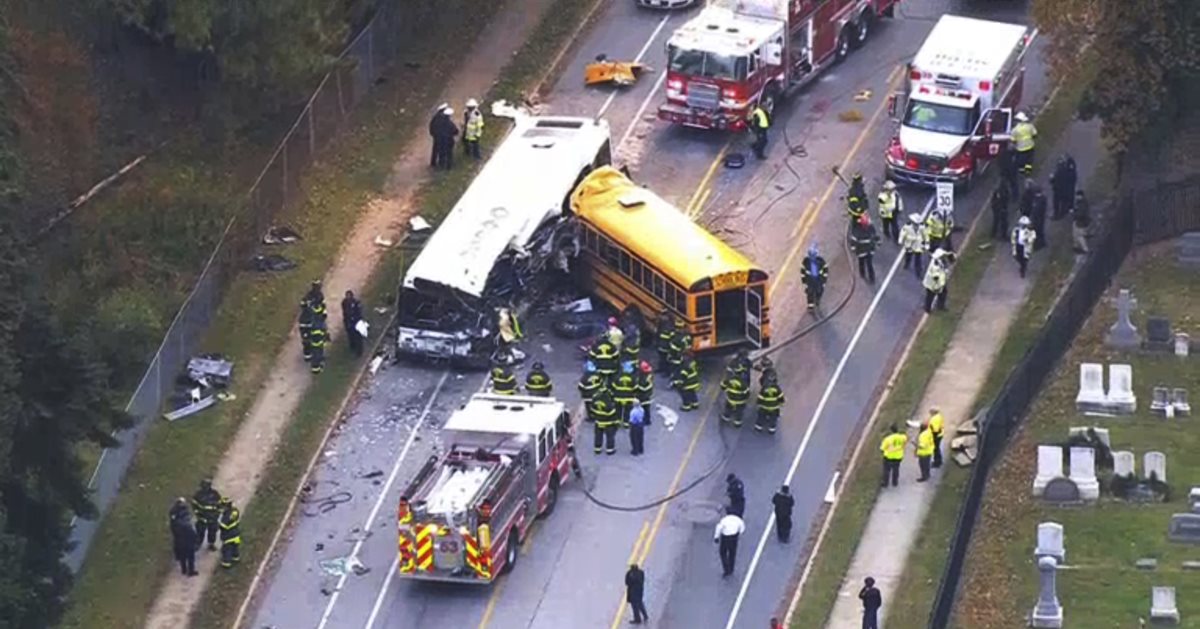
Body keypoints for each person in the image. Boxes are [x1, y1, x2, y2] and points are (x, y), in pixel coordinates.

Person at [713, 507, 746, 577]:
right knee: (732, 553)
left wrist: (716, 537)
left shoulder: (724, 520)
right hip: (734, 537)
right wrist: (739, 533)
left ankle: (726, 568)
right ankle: (731, 568)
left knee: (723, 553)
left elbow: (719, 528)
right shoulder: (738, 519)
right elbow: (742, 528)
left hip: (725, 537)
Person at [170, 500, 198, 577]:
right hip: (188, 542)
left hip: (180, 541)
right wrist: (195, 540)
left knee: (183, 556)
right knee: (190, 557)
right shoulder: (187, 525)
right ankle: (191, 571)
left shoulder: (176, 523)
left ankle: (184, 569)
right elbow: (192, 533)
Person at [850, 215, 881, 284]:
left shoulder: (870, 228)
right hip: (862, 251)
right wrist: (853, 249)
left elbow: (875, 236)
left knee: (869, 264)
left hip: (869, 250)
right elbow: (853, 240)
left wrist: (878, 242)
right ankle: (862, 273)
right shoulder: (857, 230)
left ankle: (871, 278)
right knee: (862, 263)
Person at [192, 479, 222, 551]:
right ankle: (198, 544)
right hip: (202, 518)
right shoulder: (198, 495)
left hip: (213, 518)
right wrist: (199, 515)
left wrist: (217, 514)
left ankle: (211, 544)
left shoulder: (215, 494)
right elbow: (194, 506)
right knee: (200, 531)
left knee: (212, 531)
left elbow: (220, 505)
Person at [589, 387, 619, 455]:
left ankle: (597, 449)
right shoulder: (607, 400)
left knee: (598, 436)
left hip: (598, 421)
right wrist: (615, 422)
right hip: (608, 423)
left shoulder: (595, 398)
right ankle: (610, 450)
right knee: (610, 436)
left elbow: (592, 410)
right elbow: (612, 413)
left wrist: (596, 416)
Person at [898, 212, 928, 280]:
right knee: (908, 256)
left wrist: (927, 242)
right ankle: (906, 264)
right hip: (909, 245)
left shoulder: (922, 227)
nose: (916, 225)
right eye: (915, 223)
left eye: (917, 223)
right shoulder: (907, 226)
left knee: (918, 260)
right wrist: (900, 240)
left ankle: (918, 272)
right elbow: (902, 233)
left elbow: (925, 235)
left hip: (918, 246)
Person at [800, 243, 829, 309]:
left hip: (819, 281)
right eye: (811, 255)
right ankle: (810, 307)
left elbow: (825, 270)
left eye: (813, 255)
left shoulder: (821, 261)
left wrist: (824, 281)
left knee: (819, 291)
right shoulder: (806, 262)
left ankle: (817, 301)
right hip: (810, 281)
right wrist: (804, 282)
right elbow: (803, 273)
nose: (812, 257)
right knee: (809, 293)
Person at [1049, 154, 1077, 220]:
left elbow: (1054, 180)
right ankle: (1062, 213)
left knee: (1057, 202)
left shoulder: (1059, 171)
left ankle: (1057, 214)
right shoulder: (1068, 170)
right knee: (1063, 202)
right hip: (1063, 189)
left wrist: (1051, 179)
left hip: (1058, 189)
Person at [612, 363, 639, 428]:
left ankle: (618, 422)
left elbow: (613, 386)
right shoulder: (632, 377)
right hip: (628, 397)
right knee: (627, 411)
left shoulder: (618, 376)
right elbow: (635, 388)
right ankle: (626, 423)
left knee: (618, 410)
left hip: (618, 397)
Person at [432, 105, 459, 170]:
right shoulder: (450, 124)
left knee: (441, 154)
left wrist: (435, 135)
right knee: (449, 154)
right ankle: (448, 167)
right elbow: (456, 131)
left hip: (439, 140)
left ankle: (441, 166)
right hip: (448, 141)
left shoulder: (438, 121)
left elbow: (433, 128)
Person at [923, 249, 949, 313]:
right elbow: (935, 277)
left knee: (942, 293)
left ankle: (939, 306)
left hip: (936, 282)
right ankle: (928, 309)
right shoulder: (935, 264)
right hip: (932, 284)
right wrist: (937, 286)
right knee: (931, 296)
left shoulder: (939, 261)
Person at [218, 497, 242, 568]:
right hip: (236, 534)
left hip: (228, 536)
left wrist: (218, 523)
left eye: (222, 506)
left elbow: (223, 526)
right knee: (235, 548)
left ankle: (226, 564)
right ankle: (236, 558)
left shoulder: (226, 516)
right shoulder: (235, 511)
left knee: (227, 550)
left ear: (226, 506)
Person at [1012, 111, 1037, 175]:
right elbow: (1035, 134)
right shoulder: (1030, 126)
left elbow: (1013, 140)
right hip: (1030, 146)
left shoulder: (1015, 129)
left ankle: (1021, 172)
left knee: (1021, 161)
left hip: (1021, 148)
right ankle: (1028, 171)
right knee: (1029, 160)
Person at [341, 290, 364, 357]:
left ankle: (359, 352)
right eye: (347, 296)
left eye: (349, 296)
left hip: (356, 322)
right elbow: (345, 312)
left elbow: (359, 313)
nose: (348, 298)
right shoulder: (344, 302)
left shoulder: (356, 303)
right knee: (350, 335)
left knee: (358, 337)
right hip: (348, 321)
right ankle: (352, 346)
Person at [428, 102, 449, 167]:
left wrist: (432, 133)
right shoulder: (444, 118)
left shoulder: (435, 117)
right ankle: (441, 163)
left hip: (436, 136)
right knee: (442, 150)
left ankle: (433, 163)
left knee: (435, 149)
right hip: (441, 136)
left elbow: (431, 125)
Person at [1030, 184, 1049, 251]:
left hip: (1037, 219)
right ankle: (1042, 243)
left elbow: (1036, 210)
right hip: (1040, 218)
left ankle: (1037, 245)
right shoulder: (1043, 198)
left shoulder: (1038, 200)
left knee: (1037, 231)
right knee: (1040, 231)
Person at [1072, 190, 1091, 254]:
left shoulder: (1082, 203)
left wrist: (1073, 214)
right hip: (1080, 221)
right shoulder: (1081, 202)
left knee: (1079, 236)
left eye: (1077, 196)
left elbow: (1080, 213)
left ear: (1080, 196)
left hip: (1081, 221)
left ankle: (1085, 249)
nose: (1076, 197)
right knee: (1076, 234)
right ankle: (1076, 246)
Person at [636, 361, 655, 426]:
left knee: (643, 408)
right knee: (646, 408)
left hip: (643, 395)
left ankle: (645, 420)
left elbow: (642, 387)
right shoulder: (649, 375)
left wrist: (636, 386)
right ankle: (647, 421)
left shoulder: (643, 378)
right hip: (647, 394)